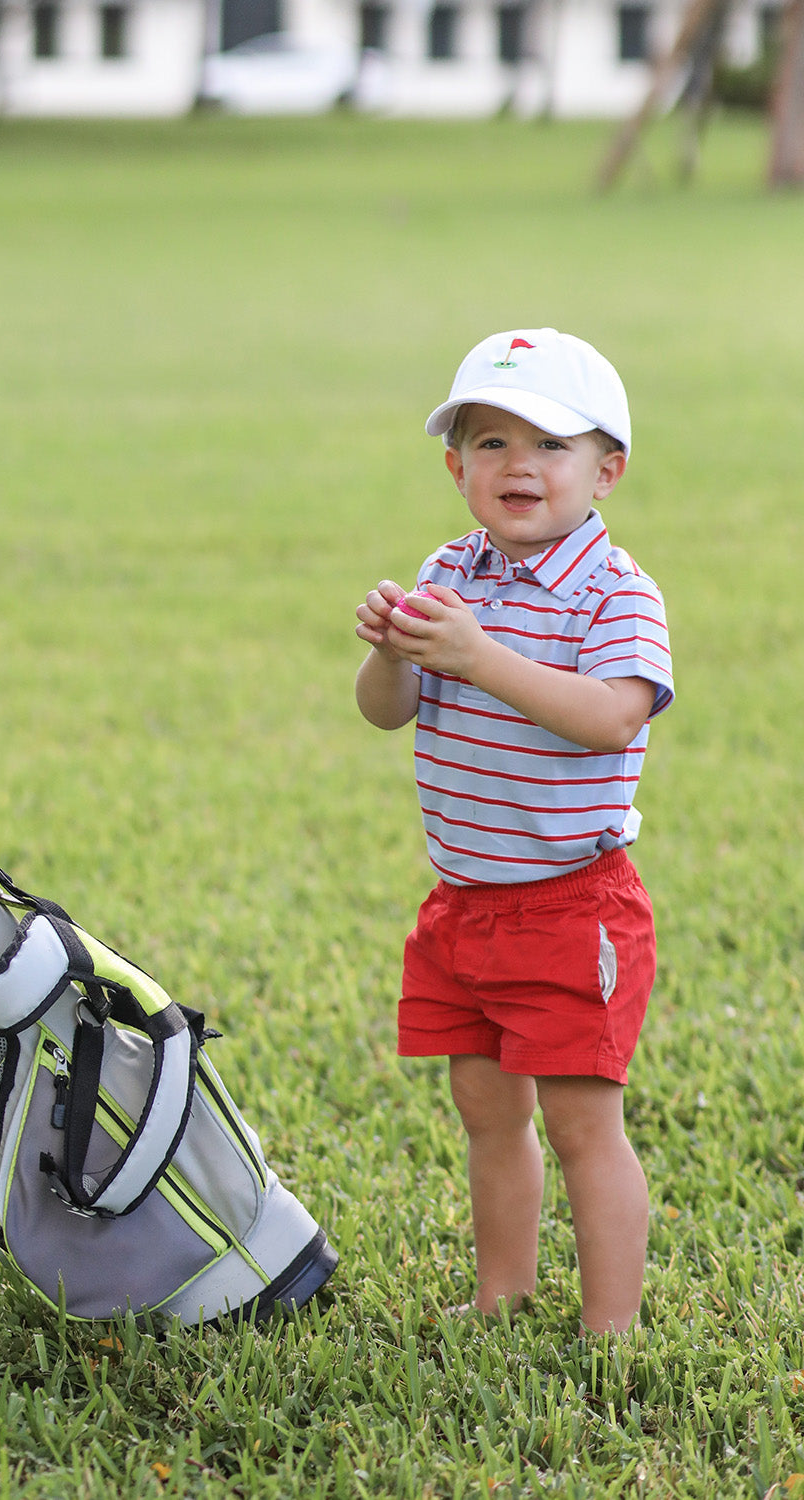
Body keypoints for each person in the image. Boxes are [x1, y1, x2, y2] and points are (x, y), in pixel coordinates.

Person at [355, 328, 674, 1334]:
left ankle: (609, 1330)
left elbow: (613, 715)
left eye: (550, 445)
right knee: (487, 1112)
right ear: (456, 469)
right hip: (464, 904)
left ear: (605, 469)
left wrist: (479, 655)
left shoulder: (614, 592)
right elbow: (386, 710)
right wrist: (395, 652)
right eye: (490, 444)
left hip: (572, 904)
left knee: (584, 1124)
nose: (518, 466)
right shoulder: (452, 570)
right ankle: (504, 1295)